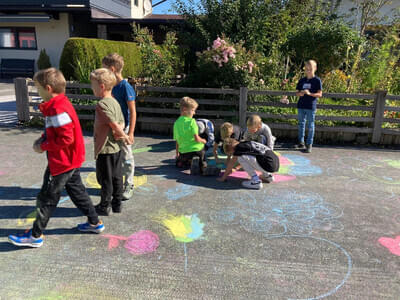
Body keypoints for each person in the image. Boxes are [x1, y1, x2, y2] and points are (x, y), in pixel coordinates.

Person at [8, 68, 104, 248]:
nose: (38, 93)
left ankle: (35, 235)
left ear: (48, 88)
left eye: (39, 89)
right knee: (78, 192)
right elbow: (56, 131)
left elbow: (66, 138)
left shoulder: (57, 108)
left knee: (47, 197)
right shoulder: (59, 104)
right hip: (70, 160)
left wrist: (43, 146)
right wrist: (43, 139)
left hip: (62, 162)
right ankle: (94, 223)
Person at [91, 68, 130, 216]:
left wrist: (124, 136)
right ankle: (117, 204)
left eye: (93, 85)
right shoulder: (115, 102)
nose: (92, 88)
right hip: (116, 148)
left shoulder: (102, 105)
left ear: (101, 86)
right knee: (116, 175)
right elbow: (121, 122)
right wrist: (120, 133)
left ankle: (104, 206)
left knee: (105, 178)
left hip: (106, 148)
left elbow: (114, 124)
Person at [102, 53, 136, 200]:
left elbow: (133, 112)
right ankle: (114, 185)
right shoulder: (109, 87)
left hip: (124, 128)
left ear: (112, 69)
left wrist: (131, 133)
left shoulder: (125, 87)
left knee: (126, 157)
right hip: (112, 127)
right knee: (113, 157)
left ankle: (129, 184)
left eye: (104, 69)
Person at [294, 59, 322, 153]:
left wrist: (310, 94)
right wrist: (301, 93)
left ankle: (309, 144)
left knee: (310, 125)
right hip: (301, 105)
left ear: (315, 69)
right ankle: (301, 142)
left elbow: (320, 94)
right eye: (306, 69)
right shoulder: (302, 80)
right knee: (301, 124)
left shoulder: (317, 80)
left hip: (310, 106)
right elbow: (297, 92)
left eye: (310, 68)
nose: (308, 70)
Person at [174, 97, 207, 175]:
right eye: (193, 110)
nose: (194, 113)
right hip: (196, 151)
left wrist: (177, 154)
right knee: (202, 147)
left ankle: (182, 161)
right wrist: (204, 140)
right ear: (185, 109)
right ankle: (203, 166)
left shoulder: (176, 123)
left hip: (183, 152)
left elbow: (177, 141)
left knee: (184, 157)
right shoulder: (192, 122)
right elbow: (196, 138)